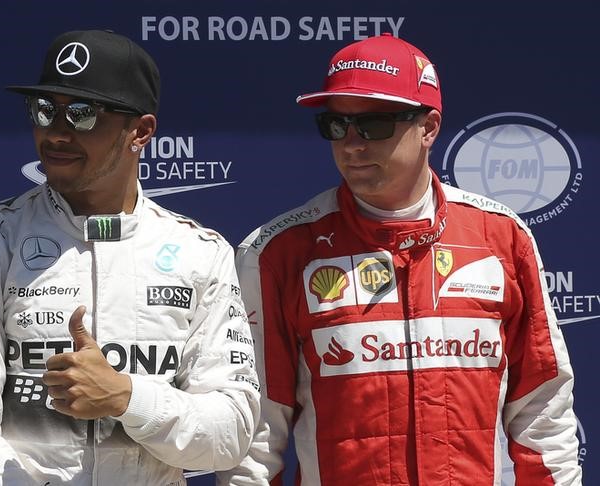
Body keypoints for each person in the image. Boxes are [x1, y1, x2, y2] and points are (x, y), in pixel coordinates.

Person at [220, 33, 582, 485]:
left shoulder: (501, 237)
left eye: (373, 125)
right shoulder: (278, 250)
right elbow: (257, 431)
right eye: (336, 125)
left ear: (428, 128)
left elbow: (543, 409)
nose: (351, 144)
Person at [0, 29, 259, 486]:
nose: (56, 133)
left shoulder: (202, 253)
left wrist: (127, 398)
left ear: (140, 131)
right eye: (43, 111)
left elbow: (229, 435)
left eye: (82, 114)